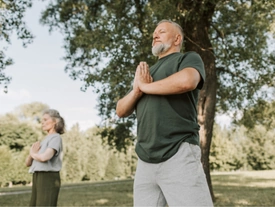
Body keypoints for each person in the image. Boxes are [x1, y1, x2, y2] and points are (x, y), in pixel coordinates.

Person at [116, 19, 213, 206]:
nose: (155, 35)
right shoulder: (146, 74)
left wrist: (145, 86)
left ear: (177, 39)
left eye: (161, 31)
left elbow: (187, 81)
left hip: (178, 152)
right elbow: (121, 110)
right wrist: (137, 90)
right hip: (145, 160)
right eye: (154, 33)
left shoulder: (187, 59)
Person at [26, 109, 65, 207]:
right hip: (37, 175)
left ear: (54, 122)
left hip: (48, 177)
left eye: (45, 120)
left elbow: (45, 157)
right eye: (41, 120)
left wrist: (32, 153)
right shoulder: (44, 140)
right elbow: (27, 163)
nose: (42, 122)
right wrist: (32, 153)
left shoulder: (56, 138)